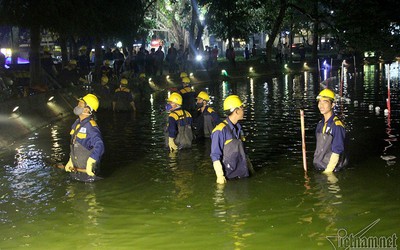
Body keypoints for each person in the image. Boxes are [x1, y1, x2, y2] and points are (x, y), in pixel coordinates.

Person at [64, 94, 104, 182]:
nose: (77, 106)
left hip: (88, 173)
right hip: (76, 171)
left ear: (87, 109)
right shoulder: (77, 123)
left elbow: (100, 145)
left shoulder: (91, 127)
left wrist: (91, 161)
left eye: (80, 105)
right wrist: (71, 159)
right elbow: (74, 143)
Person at [210, 95, 249, 184]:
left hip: (242, 174)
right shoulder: (220, 131)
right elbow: (215, 155)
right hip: (229, 178)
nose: (243, 110)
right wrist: (220, 176)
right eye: (242, 108)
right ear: (236, 111)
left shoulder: (238, 127)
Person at [313, 89, 347, 173]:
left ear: (332, 105)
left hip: (331, 170)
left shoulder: (337, 126)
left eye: (325, 102)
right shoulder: (320, 124)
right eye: (319, 102)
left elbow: (336, 152)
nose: (321, 105)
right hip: (319, 167)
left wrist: (328, 172)